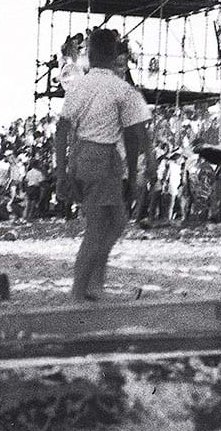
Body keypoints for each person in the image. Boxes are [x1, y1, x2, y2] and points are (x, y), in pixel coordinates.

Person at [53, 28, 152, 299]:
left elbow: (61, 131)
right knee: (98, 228)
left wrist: (62, 172)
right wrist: (135, 172)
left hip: (83, 156)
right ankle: (80, 291)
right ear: (114, 54)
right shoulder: (121, 88)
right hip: (102, 157)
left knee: (116, 222)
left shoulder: (79, 85)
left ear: (91, 53)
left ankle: (94, 284)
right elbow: (134, 136)